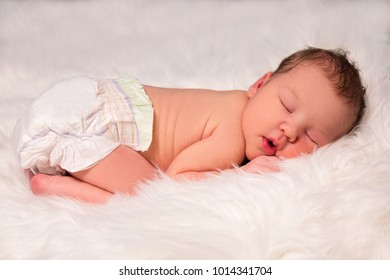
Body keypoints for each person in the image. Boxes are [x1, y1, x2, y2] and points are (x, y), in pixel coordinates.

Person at [15, 47, 366, 204]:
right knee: (148, 194)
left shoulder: (233, 103)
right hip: (83, 125)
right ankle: (55, 188)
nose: (289, 130)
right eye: (287, 106)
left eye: (311, 137)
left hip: (71, 100)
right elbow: (180, 180)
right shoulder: (230, 131)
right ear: (259, 85)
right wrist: (241, 175)